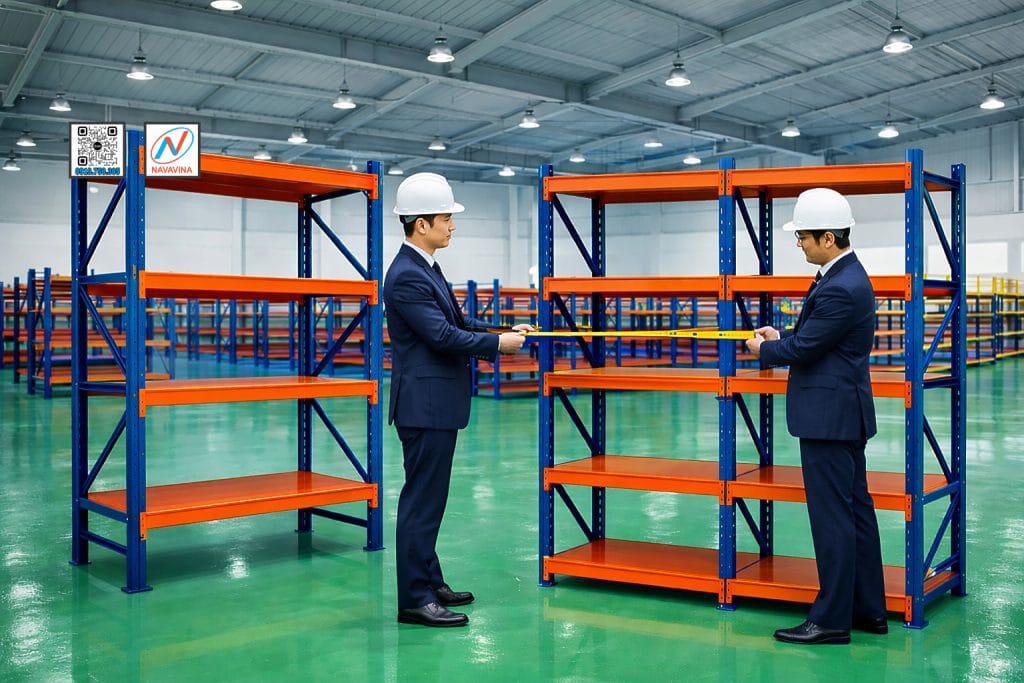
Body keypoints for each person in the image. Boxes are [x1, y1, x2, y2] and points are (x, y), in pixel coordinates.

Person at [383, 172, 531, 628]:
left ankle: (430, 579)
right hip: (424, 407)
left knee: (432, 499)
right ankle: (415, 599)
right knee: (420, 504)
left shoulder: (426, 267)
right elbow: (441, 335)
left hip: (436, 405)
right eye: (446, 218)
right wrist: (497, 347)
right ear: (421, 223)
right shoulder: (406, 276)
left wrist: (501, 332)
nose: (452, 225)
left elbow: (459, 320)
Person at [745, 187, 888, 645]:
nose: (800, 244)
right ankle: (868, 610)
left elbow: (807, 349)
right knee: (855, 515)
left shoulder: (841, 286)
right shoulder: (842, 277)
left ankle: (829, 620)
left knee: (832, 520)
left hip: (830, 420)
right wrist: (781, 334)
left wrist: (764, 349)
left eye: (803, 237)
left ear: (828, 237)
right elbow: (818, 339)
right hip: (841, 414)